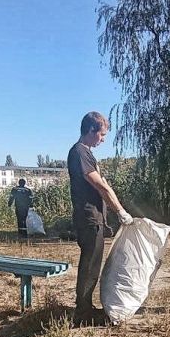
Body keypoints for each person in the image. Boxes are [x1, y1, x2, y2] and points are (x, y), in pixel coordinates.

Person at [67, 112, 133, 325]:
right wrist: (120, 211)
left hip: (93, 218)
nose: (103, 139)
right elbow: (100, 185)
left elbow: (104, 183)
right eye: (102, 134)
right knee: (90, 266)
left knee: (92, 265)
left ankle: (85, 308)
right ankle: (83, 314)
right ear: (91, 131)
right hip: (89, 218)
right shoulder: (79, 152)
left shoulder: (86, 153)